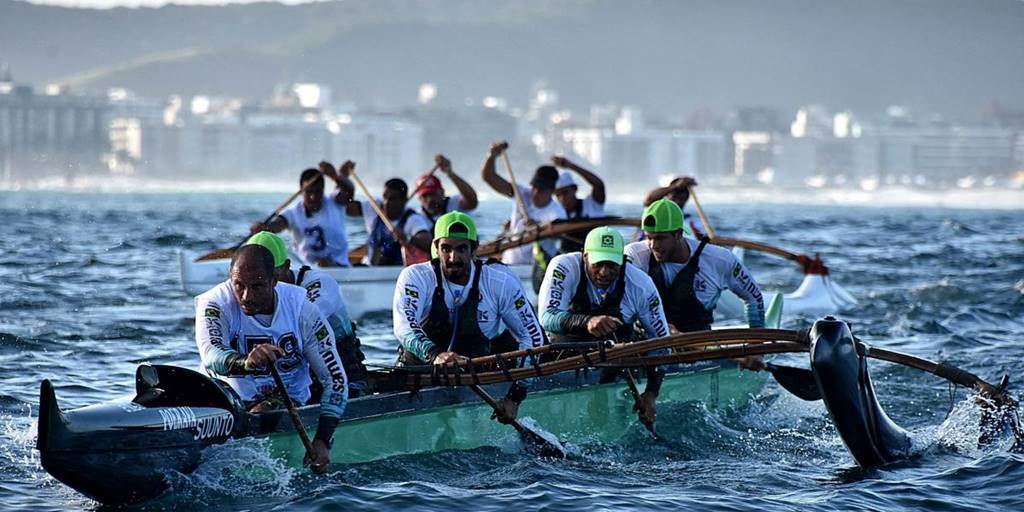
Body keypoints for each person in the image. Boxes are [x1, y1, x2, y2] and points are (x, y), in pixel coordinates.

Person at [194, 244, 348, 474]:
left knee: (259, 413)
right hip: (224, 395)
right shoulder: (215, 303)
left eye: (257, 286)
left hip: (284, 398)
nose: (247, 296)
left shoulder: (302, 310)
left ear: (274, 280)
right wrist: (245, 362)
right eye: (239, 286)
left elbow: (335, 380)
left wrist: (323, 441)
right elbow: (211, 355)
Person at [392, 211, 546, 423]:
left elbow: (533, 337)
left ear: (474, 249)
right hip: (424, 369)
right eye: (446, 249)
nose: (453, 258)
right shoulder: (415, 277)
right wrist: (435, 355)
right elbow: (403, 327)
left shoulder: (500, 280)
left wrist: (515, 396)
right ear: (436, 248)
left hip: (476, 372)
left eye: (461, 249)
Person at [538, 226, 669, 427]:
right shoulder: (563, 267)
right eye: (597, 264)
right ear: (585, 257)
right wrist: (587, 322)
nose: (604, 272)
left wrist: (651, 393)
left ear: (623, 262)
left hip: (616, 358)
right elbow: (546, 317)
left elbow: (662, 343)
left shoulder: (641, 285)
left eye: (612, 265)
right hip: (566, 355)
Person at [624, 199, 766, 369]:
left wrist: (756, 348)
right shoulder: (635, 255)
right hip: (647, 344)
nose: (654, 245)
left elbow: (754, 298)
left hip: (699, 350)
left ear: (678, 234)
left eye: (661, 238)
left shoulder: (719, 260)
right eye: (649, 237)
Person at [245, 231, 369, 396]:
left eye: (273, 274)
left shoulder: (321, 283)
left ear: (287, 266)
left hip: (345, 375)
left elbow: (303, 322)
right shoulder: (251, 292)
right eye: (258, 278)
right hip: (292, 378)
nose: (267, 282)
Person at [319, 162, 432, 266]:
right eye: (385, 197)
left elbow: (428, 244)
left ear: (404, 200)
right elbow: (343, 205)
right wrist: (340, 178)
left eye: (392, 199)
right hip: (370, 268)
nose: (386, 203)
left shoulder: (413, 220)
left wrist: (407, 237)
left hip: (397, 271)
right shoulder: (375, 207)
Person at [480, 141, 567, 266]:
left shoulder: (557, 213)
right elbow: (488, 177)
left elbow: (560, 235)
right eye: (534, 187)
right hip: (509, 264)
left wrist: (538, 227)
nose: (535, 193)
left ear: (552, 191)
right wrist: (492, 156)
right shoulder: (521, 194)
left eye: (541, 189)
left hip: (535, 268)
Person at [252, 162, 354, 267]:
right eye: (309, 192)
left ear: (323, 190)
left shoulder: (335, 203)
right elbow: (278, 225)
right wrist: (265, 229)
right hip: (307, 269)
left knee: (324, 264)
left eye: (317, 192)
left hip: (340, 267)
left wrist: (335, 176)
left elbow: (349, 190)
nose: (313, 197)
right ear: (301, 192)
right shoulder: (292, 213)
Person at [551, 155, 606, 253]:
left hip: (595, 256)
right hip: (567, 259)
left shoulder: (591, 205)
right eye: (558, 195)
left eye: (565, 192)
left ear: (575, 189)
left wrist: (571, 166)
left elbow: (598, 185)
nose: (562, 198)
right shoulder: (555, 214)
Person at [416, 154, 479, 224]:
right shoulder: (417, 217)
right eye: (425, 195)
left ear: (442, 192)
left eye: (433, 194)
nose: (430, 199)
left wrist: (450, 174)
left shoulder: (454, 204)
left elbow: (472, 201)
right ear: (419, 198)